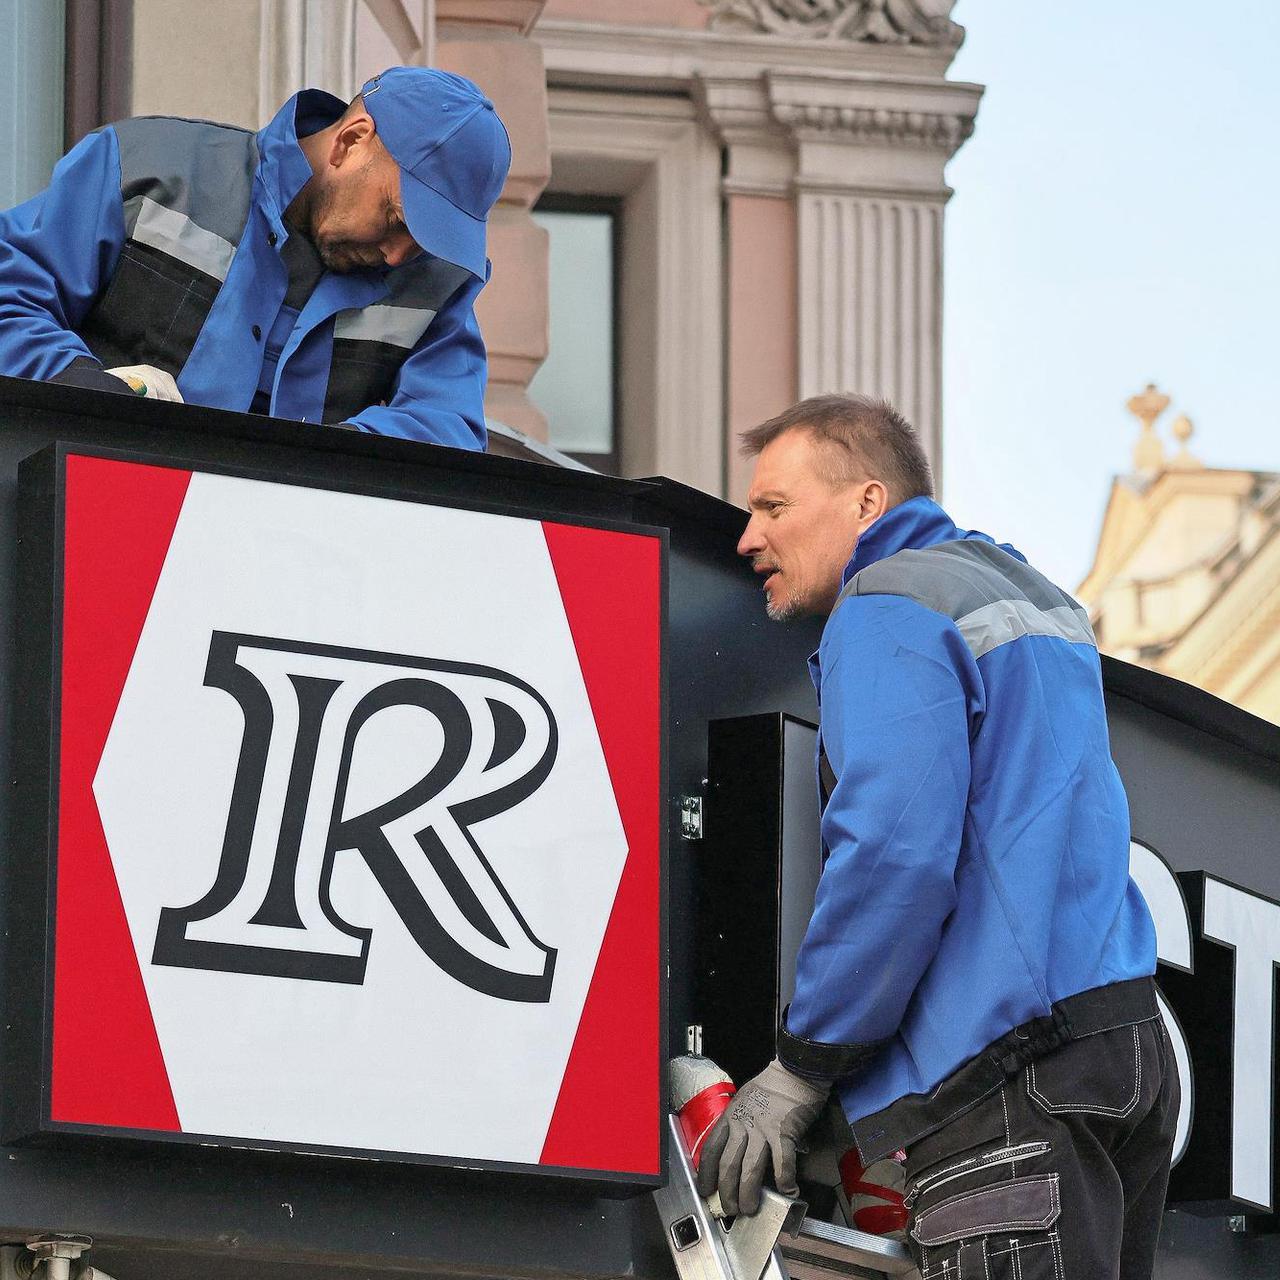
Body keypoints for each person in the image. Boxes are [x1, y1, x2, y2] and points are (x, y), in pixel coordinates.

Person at [698, 394, 1178, 1279]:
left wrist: (805, 1068)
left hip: (1009, 1074)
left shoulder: (886, 605)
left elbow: (894, 856)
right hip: (1124, 1048)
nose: (747, 539)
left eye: (773, 508)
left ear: (867, 504)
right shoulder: (1032, 596)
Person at [0, 66, 509, 449]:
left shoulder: (439, 283)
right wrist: (88, 390)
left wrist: (321, 464)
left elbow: (447, 426)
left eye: (429, 240)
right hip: (84, 531)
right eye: (400, 218)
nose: (401, 255)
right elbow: (9, 301)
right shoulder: (143, 168)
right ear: (350, 141)